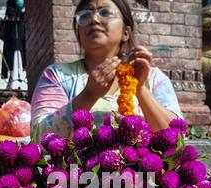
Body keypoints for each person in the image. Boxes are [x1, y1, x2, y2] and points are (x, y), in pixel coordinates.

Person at [31, 0, 183, 144]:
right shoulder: (58, 76)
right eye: (85, 15)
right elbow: (39, 138)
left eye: (105, 12)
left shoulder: (152, 77)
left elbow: (176, 138)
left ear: (126, 32)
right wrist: (88, 95)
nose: (94, 19)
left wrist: (139, 89)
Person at [1, 0, 27, 90]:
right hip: (12, 32)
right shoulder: (11, 2)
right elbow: (10, 11)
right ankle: (14, 80)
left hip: (22, 33)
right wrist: (21, 12)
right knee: (13, 57)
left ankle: (22, 80)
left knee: (22, 56)